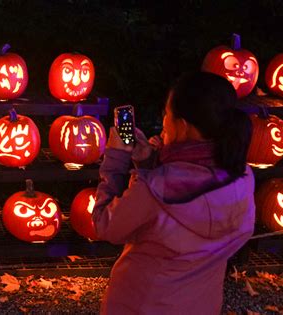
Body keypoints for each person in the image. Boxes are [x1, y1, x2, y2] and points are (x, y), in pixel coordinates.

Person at [92, 71, 255, 315]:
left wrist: (116, 161)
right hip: (202, 305)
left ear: (182, 126)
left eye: (166, 114)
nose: (164, 121)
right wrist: (149, 162)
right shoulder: (241, 176)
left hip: (142, 305)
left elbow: (105, 225)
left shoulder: (154, 191)